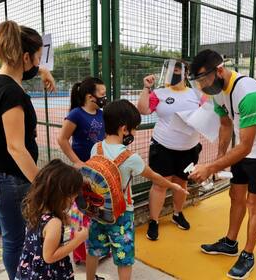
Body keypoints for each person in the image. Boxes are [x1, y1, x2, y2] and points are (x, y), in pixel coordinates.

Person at [188, 49, 256, 279]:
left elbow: (246, 146)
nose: (203, 86)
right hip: (243, 147)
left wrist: (210, 168)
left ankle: (248, 253)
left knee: (254, 203)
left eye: (205, 79)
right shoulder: (217, 91)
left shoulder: (248, 93)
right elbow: (225, 125)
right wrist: (219, 160)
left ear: (220, 70)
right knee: (235, 195)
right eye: (198, 82)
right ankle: (230, 243)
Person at [0, 20, 55, 279]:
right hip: (8, 180)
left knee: (15, 237)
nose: (37, 65)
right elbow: (16, 147)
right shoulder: (11, 93)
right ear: (25, 57)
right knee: (16, 240)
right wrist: (42, 184)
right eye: (36, 59)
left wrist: (44, 71)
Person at [86, 99, 189, 280]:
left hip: (98, 209)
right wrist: (174, 185)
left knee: (94, 249)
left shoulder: (96, 148)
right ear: (124, 129)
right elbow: (156, 177)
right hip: (122, 214)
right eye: (134, 128)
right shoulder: (131, 157)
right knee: (124, 257)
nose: (134, 132)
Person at [137, 59, 202, 241]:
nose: (174, 72)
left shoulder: (197, 94)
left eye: (178, 69)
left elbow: (210, 113)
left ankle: (177, 213)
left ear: (185, 73)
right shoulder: (159, 92)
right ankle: (154, 221)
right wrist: (146, 88)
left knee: (182, 183)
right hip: (163, 147)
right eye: (171, 68)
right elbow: (143, 110)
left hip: (189, 149)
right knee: (160, 184)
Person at [58, 76, 106, 264]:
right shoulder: (76, 114)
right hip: (83, 172)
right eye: (101, 93)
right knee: (82, 211)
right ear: (89, 96)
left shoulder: (101, 114)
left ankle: (97, 250)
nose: (104, 97)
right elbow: (62, 139)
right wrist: (77, 161)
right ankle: (80, 254)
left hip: (98, 170)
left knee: (97, 209)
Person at [15, 159, 87, 280]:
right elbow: (49, 256)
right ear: (60, 195)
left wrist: (71, 221)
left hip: (31, 270)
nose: (75, 198)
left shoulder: (37, 208)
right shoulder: (54, 223)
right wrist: (77, 240)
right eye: (73, 194)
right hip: (47, 274)